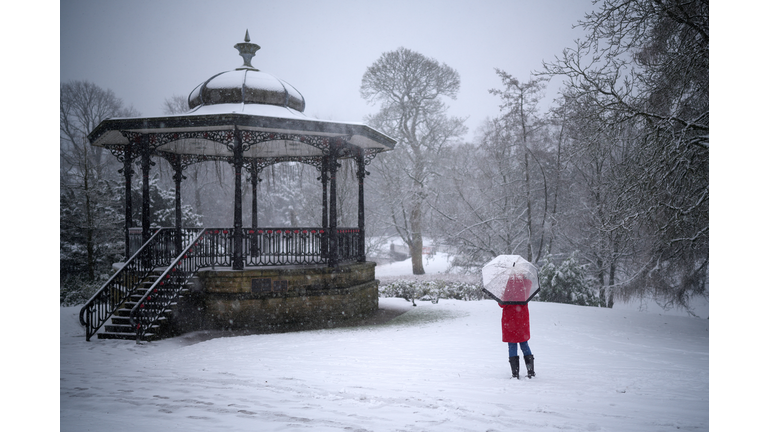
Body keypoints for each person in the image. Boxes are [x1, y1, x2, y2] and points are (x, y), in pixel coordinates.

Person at [499, 275, 535, 379]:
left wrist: (501, 295)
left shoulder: (510, 284)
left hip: (510, 320)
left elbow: (503, 303)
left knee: (512, 344)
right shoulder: (526, 283)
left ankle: (515, 373)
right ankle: (530, 371)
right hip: (522, 318)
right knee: (524, 344)